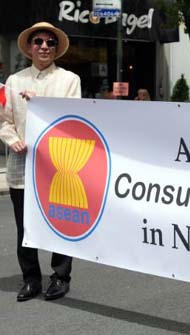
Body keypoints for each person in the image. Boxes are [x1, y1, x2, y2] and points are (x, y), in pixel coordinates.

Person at [0, 22, 81, 302]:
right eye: (39, 41)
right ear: (29, 47)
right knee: (26, 226)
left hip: (59, 166)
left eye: (50, 42)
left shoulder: (70, 80)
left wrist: (41, 102)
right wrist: (11, 139)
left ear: (57, 48)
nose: (44, 46)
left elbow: (73, 120)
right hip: (23, 164)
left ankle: (60, 276)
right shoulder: (14, 81)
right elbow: (4, 120)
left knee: (59, 221)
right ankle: (31, 279)